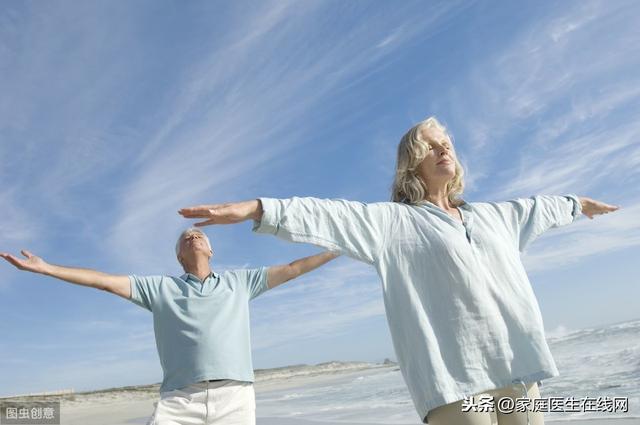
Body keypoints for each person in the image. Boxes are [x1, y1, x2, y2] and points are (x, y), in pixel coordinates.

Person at [178, 117, 619, 425]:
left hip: (518, 368)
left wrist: (579, 204)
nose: (443, 147)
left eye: (446, 142)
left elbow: (542, 207)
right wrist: (258, 208)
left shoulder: (495, 216)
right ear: (412, 160)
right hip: (453, 381)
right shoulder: (392, 223)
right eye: (431, 143)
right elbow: (329, 214)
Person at [1, 227, 338, 425]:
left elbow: (294, 268)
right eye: (186, 237)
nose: (193, 235)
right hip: (179, 400)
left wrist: (339, 248)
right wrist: (47, 268)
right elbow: (104, 281)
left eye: (200, 234)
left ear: (211, 249)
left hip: (235, 396)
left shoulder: (240, 282)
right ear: (179, 256)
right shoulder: (159, 288)